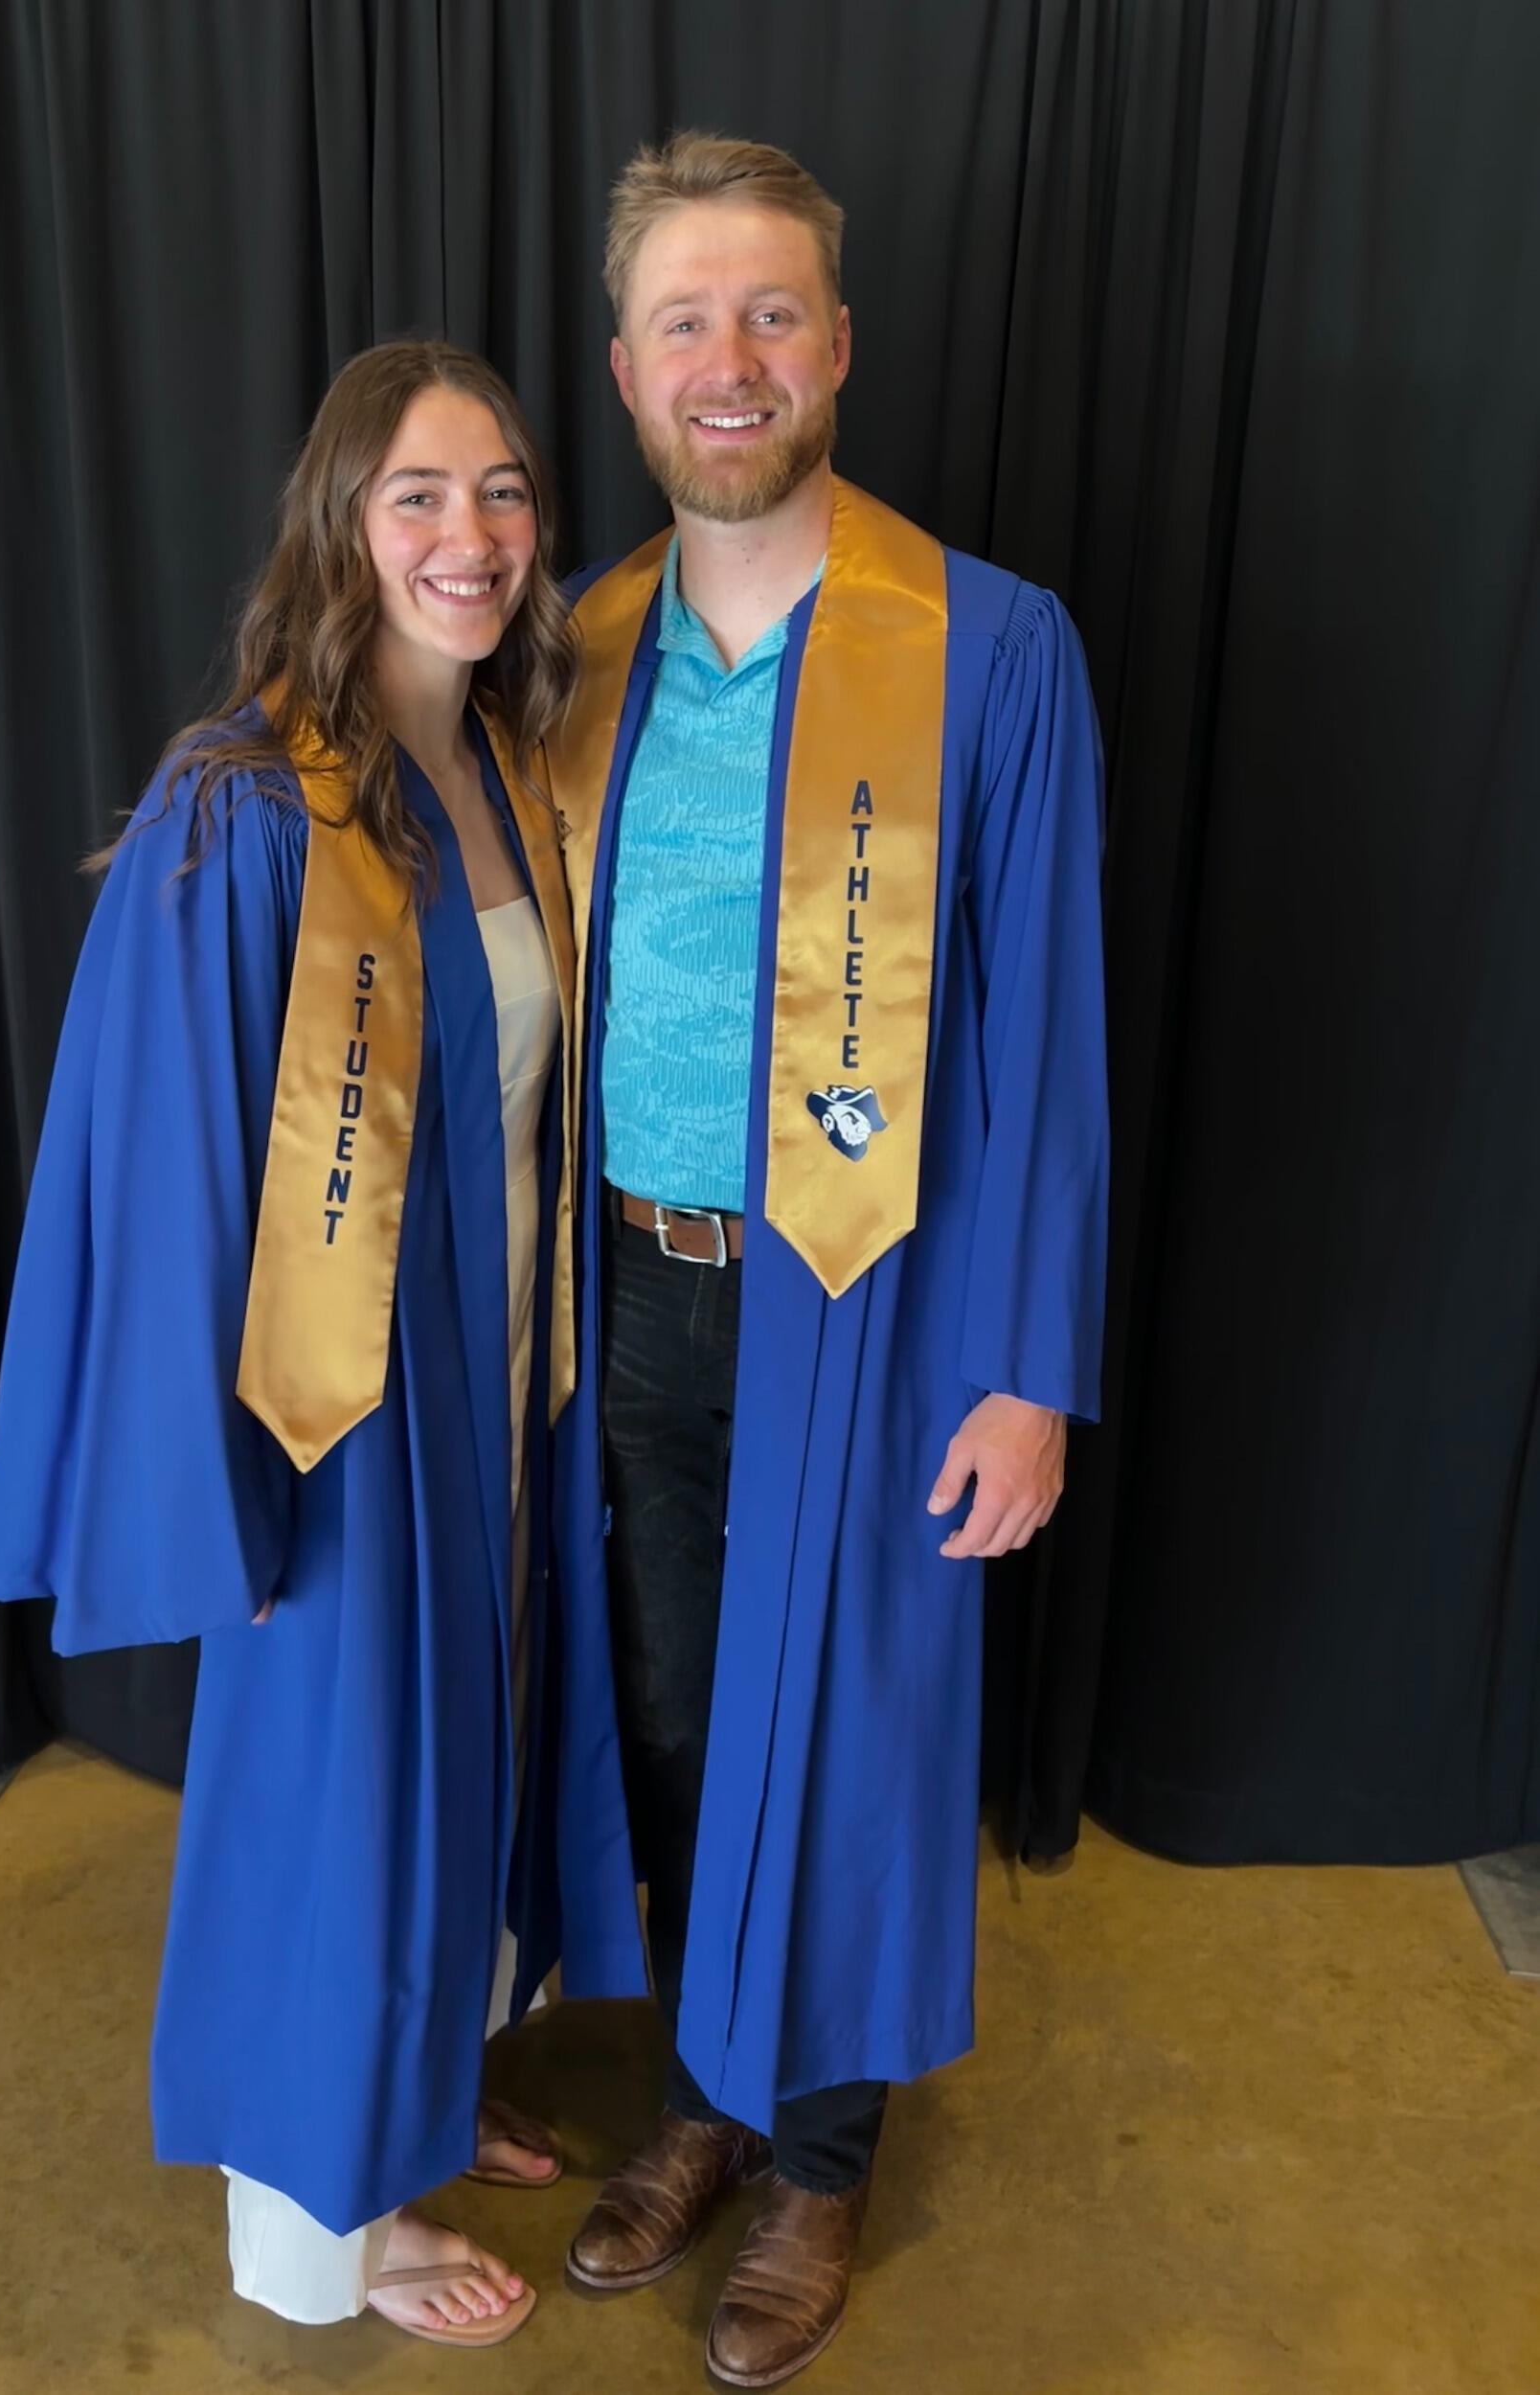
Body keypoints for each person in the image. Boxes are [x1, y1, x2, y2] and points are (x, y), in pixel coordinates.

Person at [0, 341, 645, 2349]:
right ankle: (314, 2238)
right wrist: (216, 1488)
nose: (473, 535)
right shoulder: (246, 806)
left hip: (502, 1386)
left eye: (505, 492)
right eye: (421, 495)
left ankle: (419, 2095)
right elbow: (161, 1173)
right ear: (341, 525)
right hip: (340, 1419)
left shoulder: (511, 770)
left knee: (465, 1774)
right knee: (339, 1808)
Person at [549, 135, 1109, 2388]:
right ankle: (699, 2090)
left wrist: (1022, 1364)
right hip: (627, 1290)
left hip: (865, 1297)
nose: (729, 358)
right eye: (685, 318)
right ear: (621, 366)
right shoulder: (576, 640)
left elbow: (1049, 1033)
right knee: (677, 1713)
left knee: (858, 1725)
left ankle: (817, 2151)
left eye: (771, 312)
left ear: (838, 348)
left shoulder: (989, 645)